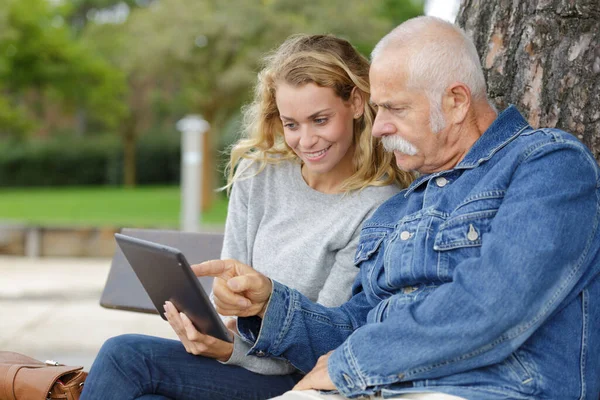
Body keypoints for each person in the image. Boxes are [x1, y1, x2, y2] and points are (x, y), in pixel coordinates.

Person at [201, 16, 600, 400]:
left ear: (456, 102)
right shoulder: (400, 209)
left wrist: (352, 363)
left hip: (490, 387)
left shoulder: (547, 165)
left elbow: (496, 305)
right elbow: (352, 326)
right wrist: (270, 304)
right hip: (372, 386)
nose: (377, 128)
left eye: (395, 109)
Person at [81, 34, 413, 400]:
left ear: (355, 102)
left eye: (320, 120)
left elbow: (323, 342)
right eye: (291, 124)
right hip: (240, 364)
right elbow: (229, 291)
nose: (306, 141)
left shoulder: (378, 205)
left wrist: (227, 350)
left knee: (123, 355)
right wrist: (210, 329)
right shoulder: (260, 173)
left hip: (301, 380)